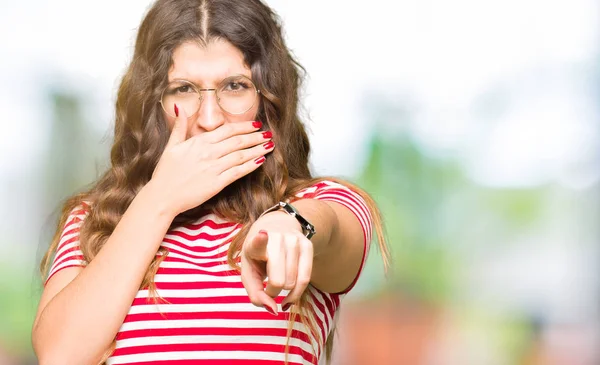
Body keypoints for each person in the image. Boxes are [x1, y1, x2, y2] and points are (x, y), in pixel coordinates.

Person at [32, 0, 390, 364]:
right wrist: (159, 200)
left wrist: (290, 222)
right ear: (154, 103)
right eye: (184, 89)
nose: (209, 118)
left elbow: (331, 228)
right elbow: (61, 356)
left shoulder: (316, 203)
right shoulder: (94, 221)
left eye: (234, 86)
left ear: (268, 100)